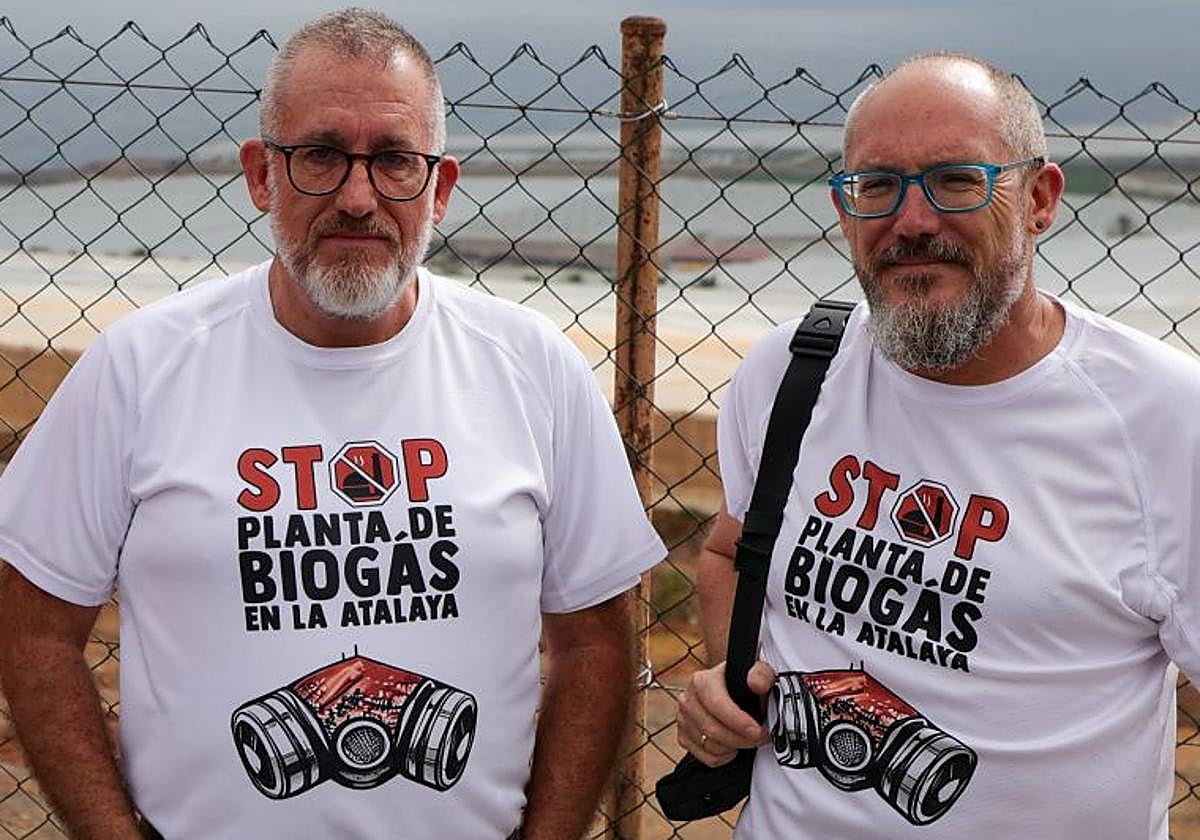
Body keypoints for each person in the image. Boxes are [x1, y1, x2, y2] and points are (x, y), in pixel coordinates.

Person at [0, 9, 665, 839]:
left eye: (394, 160)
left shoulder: (534, 367)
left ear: (442, 187)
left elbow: (598, 638)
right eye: (319, 155)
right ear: (259, 175)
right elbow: (33, 628)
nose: (358, 198)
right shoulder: (140, 367)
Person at [676, 52, 1200, 839]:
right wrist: (734, 684)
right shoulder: (791, 370)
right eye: (876, 186)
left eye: (957, 181)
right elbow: (728, 552)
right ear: (844, 208)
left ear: (1039, 199)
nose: (911, 221)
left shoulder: (1163, 416)